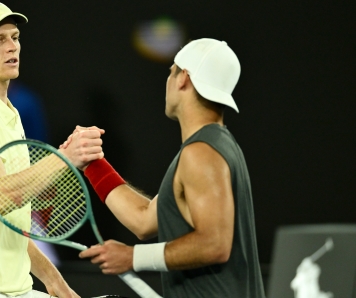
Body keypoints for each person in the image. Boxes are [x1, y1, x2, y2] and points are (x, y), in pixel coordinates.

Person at [0, 1, 103, 297]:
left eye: (15, 37)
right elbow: (1, 195)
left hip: (16, 288)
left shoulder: (9, 115)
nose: (11, 47)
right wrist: (65, 157)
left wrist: (54, 281)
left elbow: (11, 225)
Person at [76, 39, 265, 297]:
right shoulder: (209, 147)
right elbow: (142, 219)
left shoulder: (201, 153)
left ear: (183, 79)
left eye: (170, 72)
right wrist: (91, 163)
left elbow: (215, 244)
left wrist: (133, 257)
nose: (167, 81)